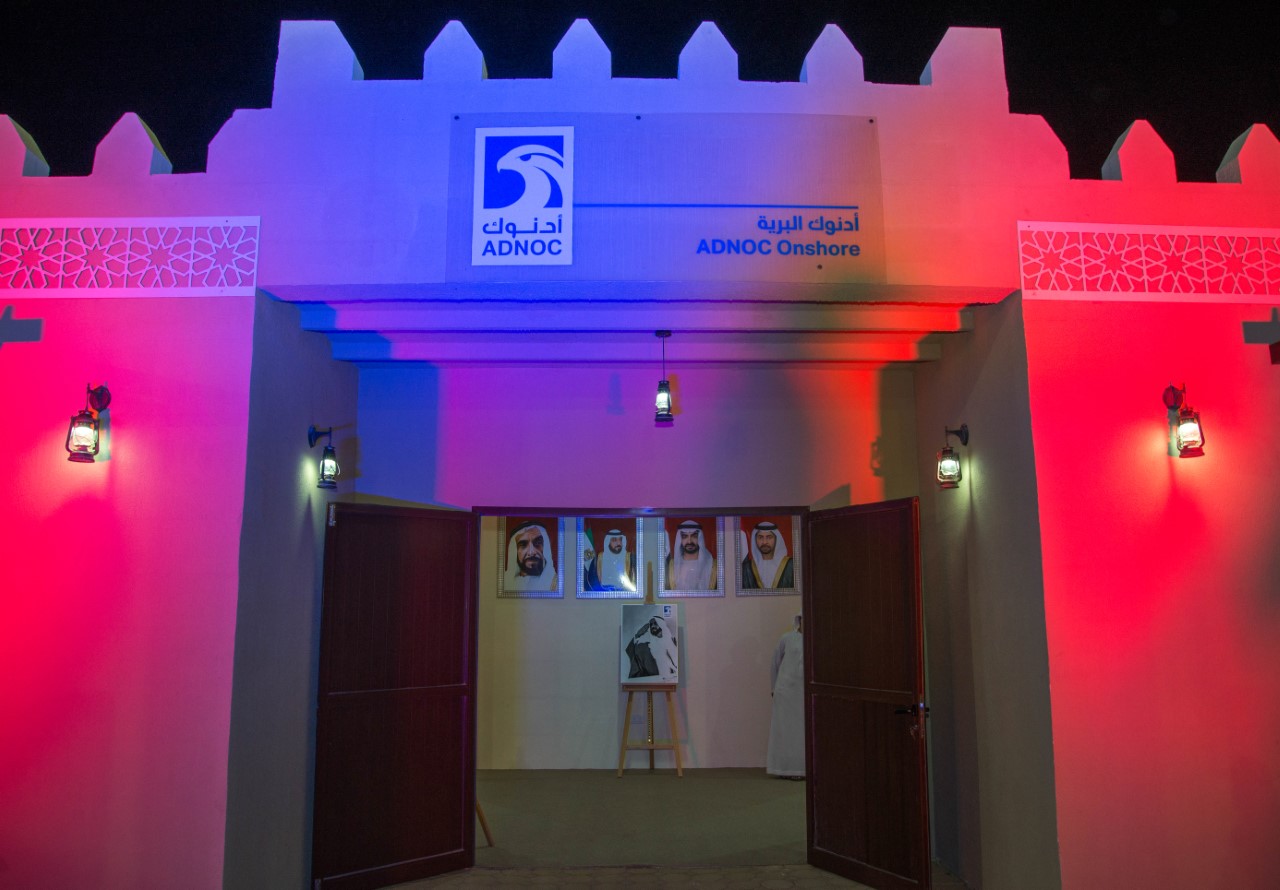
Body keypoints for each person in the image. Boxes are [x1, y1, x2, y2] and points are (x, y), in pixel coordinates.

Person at [767, 614, 804, 778]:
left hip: (804, 694)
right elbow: (775, 663)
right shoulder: (787, 638)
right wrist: (774, 688)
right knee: (784, 731)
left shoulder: (817, 640)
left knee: (802, 732)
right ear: (799, 621)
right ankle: (782, 769)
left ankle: (802, 769)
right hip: (786, 692)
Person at [503, 520, 557, 591]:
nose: (531, 552)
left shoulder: (556, 584)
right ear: (515, 551)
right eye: (523, 545)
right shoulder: (504, 583)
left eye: (537, 543)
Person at [665, 519, 717, 590]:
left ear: (700, 538)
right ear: (680, 540)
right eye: (685, 536)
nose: (689, 541)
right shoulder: (671, 566)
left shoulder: (713, 566)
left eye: (694, 536)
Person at [741, 521, 794, 589]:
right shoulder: (746, 568)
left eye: (769, 537)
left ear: (776, 539)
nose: (764, 542)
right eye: (760, 537)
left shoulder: (791, 565)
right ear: (755, 539)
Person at [625, 613, 678, 680]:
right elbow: (631, 651)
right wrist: (637, 635)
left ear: (662, 625)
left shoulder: (674, 643)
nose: (652, 626)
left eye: (655, 623)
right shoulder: (645, 649)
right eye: (651, 624)